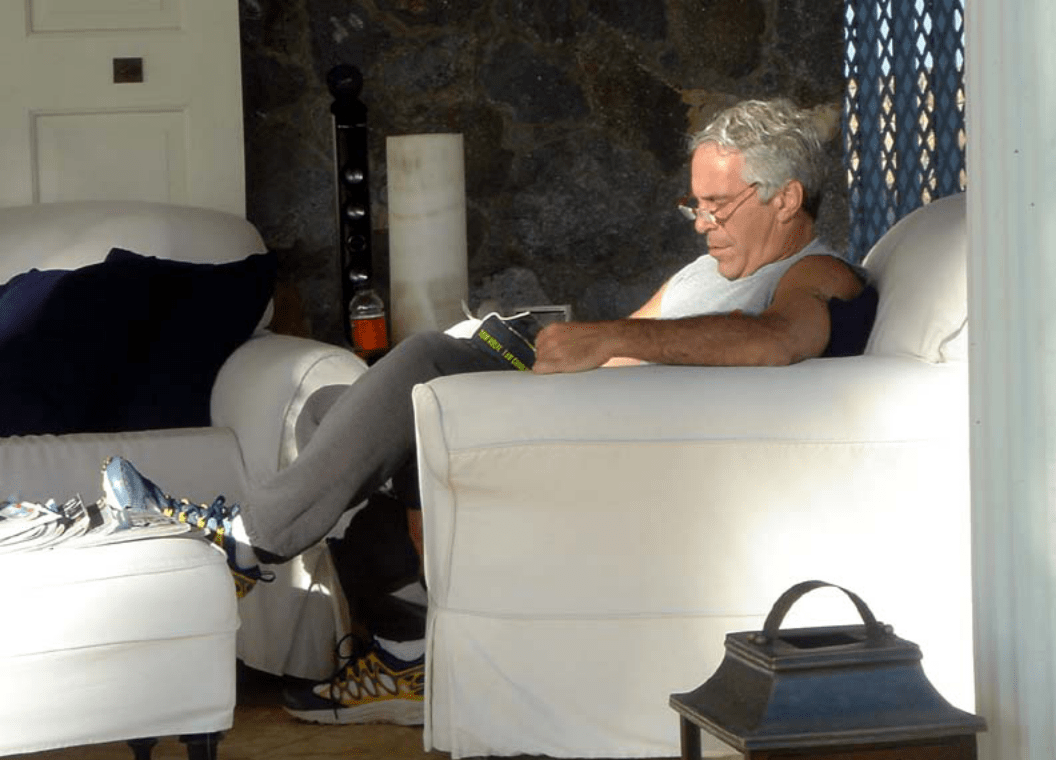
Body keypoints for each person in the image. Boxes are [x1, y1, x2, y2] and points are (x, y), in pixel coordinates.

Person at [101, 97, 876, 726]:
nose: (703, 225)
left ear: (787, 198)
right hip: (587, 419)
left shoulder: (818, 274)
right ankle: (406, 654)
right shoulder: (706, 274)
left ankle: (249, 539)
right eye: (694, 206)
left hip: (628, 457)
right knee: (337, 411)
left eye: (718, 206)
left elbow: (779, 340)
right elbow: (632, 347)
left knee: (420, 363)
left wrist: (608, 336)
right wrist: (561, 349)